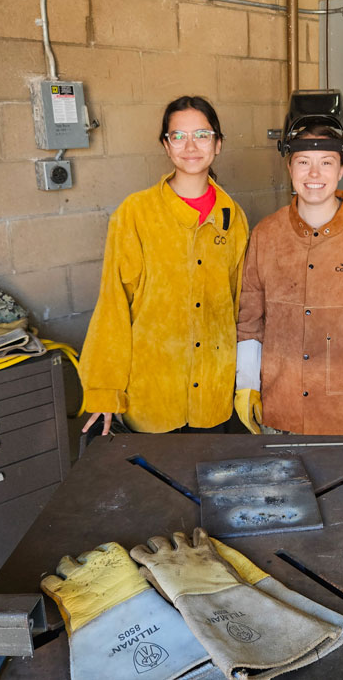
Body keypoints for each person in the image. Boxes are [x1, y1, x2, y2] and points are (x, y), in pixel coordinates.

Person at [78, 96, 248, 435]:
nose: (190, 146)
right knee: (155, 486)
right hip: (152, 392)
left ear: (218, 144)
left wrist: (245, 383)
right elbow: (113, 303)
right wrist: (104, 390)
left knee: (206, 483)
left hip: (213, 394)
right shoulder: (136, 213)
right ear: (166, 146)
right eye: (178, 136)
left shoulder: (233, 218)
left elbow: (238, 305)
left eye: (201, 134)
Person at [234, 126, 343, 435]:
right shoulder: (265, 234)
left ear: (342, 168)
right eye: (303, 161)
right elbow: (249, 316)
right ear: (289, 167)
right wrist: (246, 383)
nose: (314, 173)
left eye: (326, 162)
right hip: (279, 406)